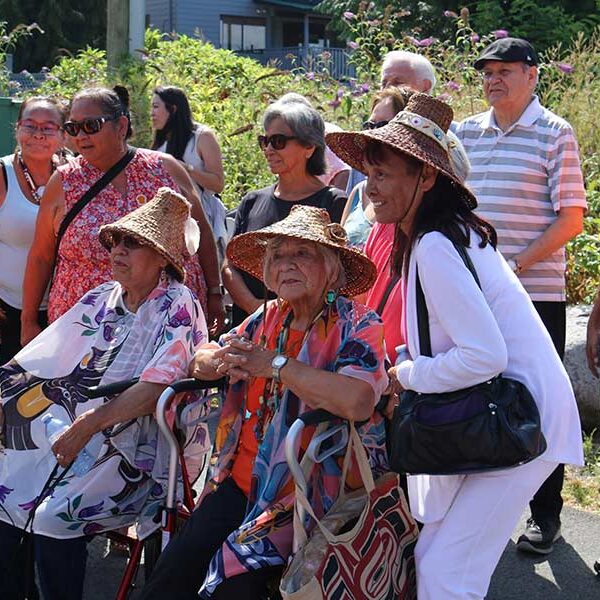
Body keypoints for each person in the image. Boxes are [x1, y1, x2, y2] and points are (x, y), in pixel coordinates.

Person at [326, 93, 583, 600]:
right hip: (513, 416)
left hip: (519, 426)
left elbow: (484, 356)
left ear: (425, 176)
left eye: (383, 174)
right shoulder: (440, 234)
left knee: (447, 574)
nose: (369, 187)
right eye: (368, 173)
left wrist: (405, 375)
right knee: (437, 562)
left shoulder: (436, 244)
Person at [141, 204, 389, 599]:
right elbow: (204, 355)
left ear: (331, 267)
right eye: (278, 255)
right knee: (168, 578)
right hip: (239, 484)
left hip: (308, 497)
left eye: (302, 254)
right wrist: (215, 361)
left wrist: (274, 365)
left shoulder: (358, 323)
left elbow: (358, 401)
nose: (287, 264)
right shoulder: (269, 316)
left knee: (232, 586)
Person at [0, 187, 210, 600]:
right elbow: (40, 363)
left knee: (51, 517)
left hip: (140, 453)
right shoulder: (102, 298)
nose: (118, 250)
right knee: (6, 486)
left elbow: (155, 390)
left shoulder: (176, 305)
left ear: (163, 258)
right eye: (117, 241)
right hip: (81, 436)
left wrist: (86, 425)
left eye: (134, 243)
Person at [456, 37, 587, 555]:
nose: (493, 79)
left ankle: (546, 516)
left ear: (532, 75)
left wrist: (510, 266)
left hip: (534, 294)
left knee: (538, 403)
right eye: (487, 71)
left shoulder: (555, 133)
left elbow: (571, 219)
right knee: (469, 397)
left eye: (505, 70)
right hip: (470, 293)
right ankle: (473, 511)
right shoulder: (463, 132)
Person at [21, 86, 224, 345]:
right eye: (74, 128)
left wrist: (215, 293)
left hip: (166, 326)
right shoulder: (63, 182)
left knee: (163, 386)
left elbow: (202, 232)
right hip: (86, 331)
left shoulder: (163, 169)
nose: (81, 135)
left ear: (121, 126)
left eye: (91, 126)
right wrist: (28, 321)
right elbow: (41, 256)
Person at [222, 96, 346, 327]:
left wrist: (287, 316)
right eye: (264, 141)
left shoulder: (334, 203)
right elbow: (229, 265)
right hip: (250, 328)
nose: (268, 149)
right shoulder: (252, 201)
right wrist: (257, 309)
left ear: (309, 147)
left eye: (278, 141)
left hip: (310, 332)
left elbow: (338, 275)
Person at [0, 96, 67, 364]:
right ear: (16, 129)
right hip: (7, 312)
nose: (38, 135)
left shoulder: (76, 175)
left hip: (65, 310)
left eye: (48, 127)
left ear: (63, 135)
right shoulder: (3, 174)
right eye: (30, 126)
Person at [344, 50, 438, 196]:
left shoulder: (445, 141)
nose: (388, 89)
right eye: (384, 83)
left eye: (397, 82)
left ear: (425, 87)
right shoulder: (365, 144)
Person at [151, 86, 228, 262]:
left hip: (202, 219)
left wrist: (186, 169)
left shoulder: (202, 136)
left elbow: (218, 184)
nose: (152, 113)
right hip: (167, 222)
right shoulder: (160, 141)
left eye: (156, 107)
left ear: (173, 109)